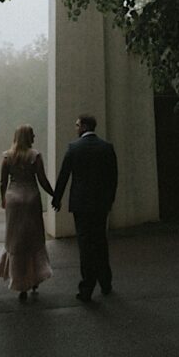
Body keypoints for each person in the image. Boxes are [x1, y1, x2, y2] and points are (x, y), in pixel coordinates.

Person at [51, 114, 118, 302]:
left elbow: (64, 175)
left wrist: (57, 199)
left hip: (81, 205)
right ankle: (106, 282)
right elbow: (113, 178)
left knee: (85, 245)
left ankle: (87, 287)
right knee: (101, 242)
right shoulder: (107, 148)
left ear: (84, 126)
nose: (76, 127)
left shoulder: (74, 148)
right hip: (100, 204)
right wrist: (109, 200)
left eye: (77, 124)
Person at [0, 124, 55, 301]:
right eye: (32, 135)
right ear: (27, 137)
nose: (35, 137)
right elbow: (42, 180)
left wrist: (3, 199)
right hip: (31, 199)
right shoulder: (35, 156)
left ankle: (19, 283)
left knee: (15, 241)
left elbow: (2, 182)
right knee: (33, 239)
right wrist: (54, 194)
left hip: (13, 199)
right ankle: (35, 278)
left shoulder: (7, 156)